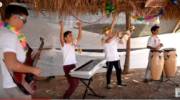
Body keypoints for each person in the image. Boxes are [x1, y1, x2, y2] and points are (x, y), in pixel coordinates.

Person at [0, 3, 41, 98]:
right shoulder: (9, 35)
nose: (25, 23)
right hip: (12, 86)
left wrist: (31, 57)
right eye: (24, 20)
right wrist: (33, 70)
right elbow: (12, 64)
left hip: (13, 82)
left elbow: (17, 55)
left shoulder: (5, 30)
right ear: (14, 17)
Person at [101, 15, 131, 89]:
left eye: (109, 31)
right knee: (109, 71)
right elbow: (108, 41)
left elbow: (121, 42)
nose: (109, 32)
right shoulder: (103, 38)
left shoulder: (114, 38)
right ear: (105, 33)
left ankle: (119, 83)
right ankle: (108, 84)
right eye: (107, 31)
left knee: (118, 70)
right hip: (109, 58)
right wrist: (116, 34)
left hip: (116, 57)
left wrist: (126, 35)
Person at [59, 20, 82, 98]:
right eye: (70, 36)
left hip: (73, 65)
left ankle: (67, 95)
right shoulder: (64, 45)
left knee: (77, 82)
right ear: (65, 38)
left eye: (72, 35)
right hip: (67, 67)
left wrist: (80, 27)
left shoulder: (73, 44)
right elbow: (61, 37)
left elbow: (79, 37)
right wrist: (62, 26)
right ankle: (65, 97)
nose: (72, 37)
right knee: (73, 84)